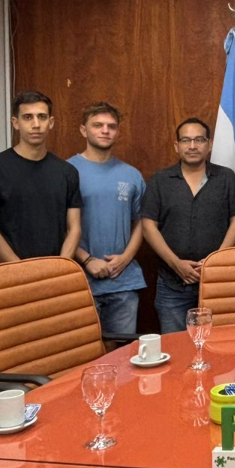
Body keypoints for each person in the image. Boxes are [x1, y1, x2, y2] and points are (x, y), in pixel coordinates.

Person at [141, 118, 235, 333]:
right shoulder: (160, 180)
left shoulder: (226, 178)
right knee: (176, 351)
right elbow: (148, 225)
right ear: (176, 146)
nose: (192, 146)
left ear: (209, 144)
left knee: (221, 349)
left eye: (199, 140)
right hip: (172, 284)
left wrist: (215, 261)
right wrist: (176, 264)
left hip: (217, 283)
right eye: (186, 140)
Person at [67, 101, 147, 335]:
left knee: (121, 356)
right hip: (80, 280)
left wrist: (125, 258)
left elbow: (141, 222)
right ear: (84, 130)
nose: (105, 130)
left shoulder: (131, 175)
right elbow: (57, 225)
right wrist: (87, 259)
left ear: (118, 131)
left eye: (111, 126)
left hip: (123, 280)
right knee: (82, 355)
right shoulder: (65, 172)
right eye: (97, 125)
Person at [0, 91, 81, 262]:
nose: (36, 124)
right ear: (15, 123)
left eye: (42, 117)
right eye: (27, 117)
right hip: (9, 274)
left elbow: (74, 228)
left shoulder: (67, 172)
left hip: (55, 274)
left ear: (51, 122)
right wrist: (23, 272)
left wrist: (61, 268)